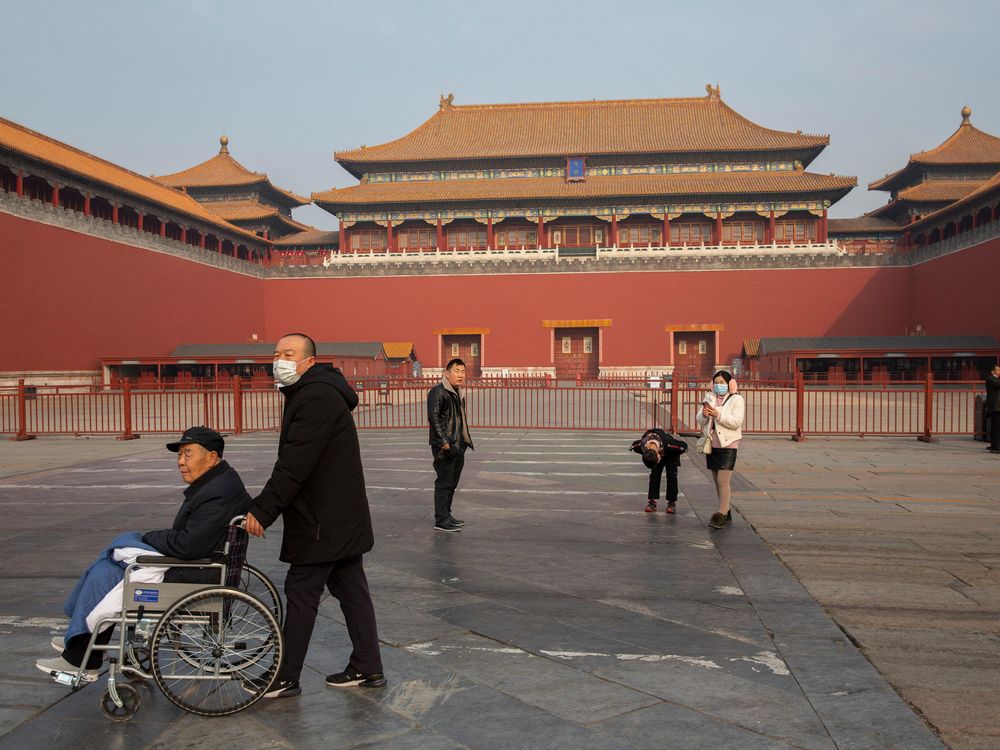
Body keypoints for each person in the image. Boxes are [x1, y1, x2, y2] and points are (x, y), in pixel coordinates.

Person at [35, 426, 251, 682]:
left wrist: (148, 538)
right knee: (108, 566)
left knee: (110, 573)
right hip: (198, 566)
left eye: (188, 454)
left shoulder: (218, 492)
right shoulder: (218, 482)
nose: (181, 462)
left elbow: (189, 545)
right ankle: (80, 638)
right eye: (179, 455)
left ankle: (83, 657)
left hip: (196, 576)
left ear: (212, 457)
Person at [244, 333, 385, 698]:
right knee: (352, 590)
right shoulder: (313, 392)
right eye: (276, 353)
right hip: (339, 515)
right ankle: (368, 667)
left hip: (323, 519)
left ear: (308, 361)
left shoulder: (315, 397)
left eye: (288, 353)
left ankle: (285, 676)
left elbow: (295, 464)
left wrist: (263, 509)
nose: (280, 360)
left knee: (302, 590)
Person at [427, 358, 475, 532]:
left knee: (452, 483)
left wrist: (461, 444)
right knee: (444, 483)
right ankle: (441, 520)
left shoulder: (457, 392)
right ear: (447, 373)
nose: (461, 375)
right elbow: (434, 417)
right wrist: (444, 442)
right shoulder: (438, 392)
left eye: (463, 371)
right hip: (445, 446)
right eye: (457, 371)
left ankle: (447, 515)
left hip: (458, 444)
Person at [696, 371, 746, 530]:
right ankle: (727, 510)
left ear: (730, 384)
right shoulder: (709, 397)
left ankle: (721, 514)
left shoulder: (737, 399)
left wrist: (718, 414)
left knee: (723, 481)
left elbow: (736, 422)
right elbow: (699, 420)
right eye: (716, 382)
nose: (719, 385)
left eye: (722, 382)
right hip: (711, 444)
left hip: (728, 444)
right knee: (717, 481)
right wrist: (704, 415)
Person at [630, 428, 688, 513]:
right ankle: (652, 502)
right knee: (654, 476)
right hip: (655, 453)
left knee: (672, 477)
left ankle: (671, 503)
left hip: (670, 454)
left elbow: (683, 446)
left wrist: (682, 450)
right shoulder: (640, 446)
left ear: (658, 455)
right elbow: (633, 445)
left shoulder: (671, 445)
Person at [987, 364, 1000, 454]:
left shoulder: (996, 379)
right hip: (995, 407)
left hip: (997, 406)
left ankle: (994, 445)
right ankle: (995, 447)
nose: (999, 372)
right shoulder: (991, 379)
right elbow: (997, 385)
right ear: (992, 372)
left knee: (995, 427)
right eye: (998, 370)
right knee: (996, 427)